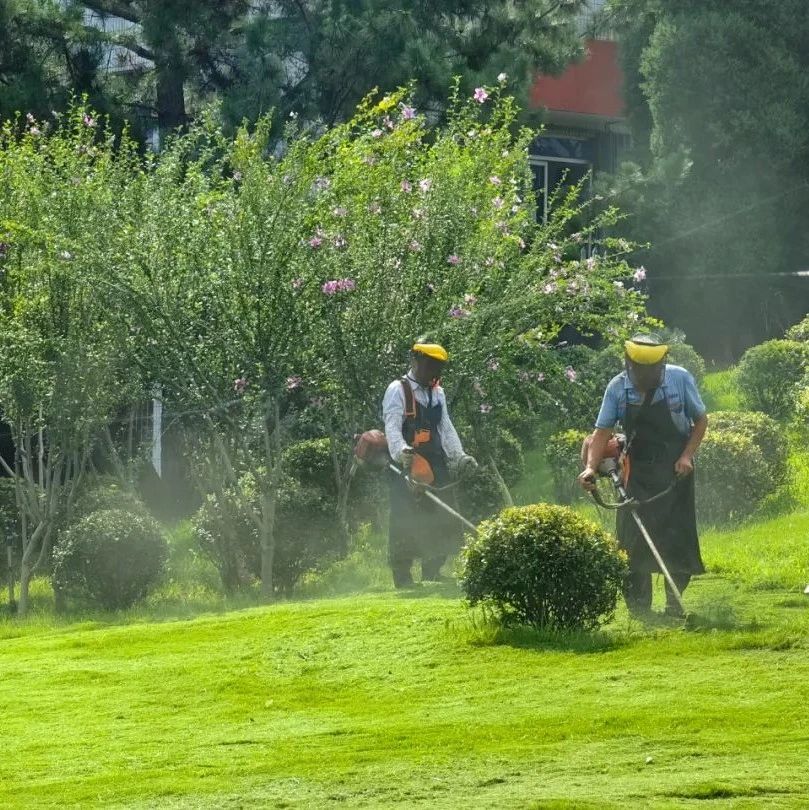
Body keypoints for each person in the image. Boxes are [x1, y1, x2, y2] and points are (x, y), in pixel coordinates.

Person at [578, 334, 709, 616]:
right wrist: (590, 467)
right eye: (640, 372)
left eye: (653, 371)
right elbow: (601, 433)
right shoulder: (617, 388)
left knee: (676, 538)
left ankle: (674, 605)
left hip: (675, 470)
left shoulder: (680, 380)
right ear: (629, 365)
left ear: (662, 365)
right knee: (632, 541)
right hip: (636, 471)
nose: (646, 377)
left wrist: (687, 456)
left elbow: (700, 420)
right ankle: (640, 611)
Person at [382, 341, 477, 587]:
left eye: (438, 368)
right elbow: (392, 428)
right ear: (415, 361)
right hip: (406, 463)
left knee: (442, 516)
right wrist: (402, 452)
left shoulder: (438, 392)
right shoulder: (398, 390)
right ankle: (402, 577)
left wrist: (459, 456)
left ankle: (433, 571)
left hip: (435, 462)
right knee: (405, 520)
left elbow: (445, 427)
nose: (433, 372)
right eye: (429, 366)